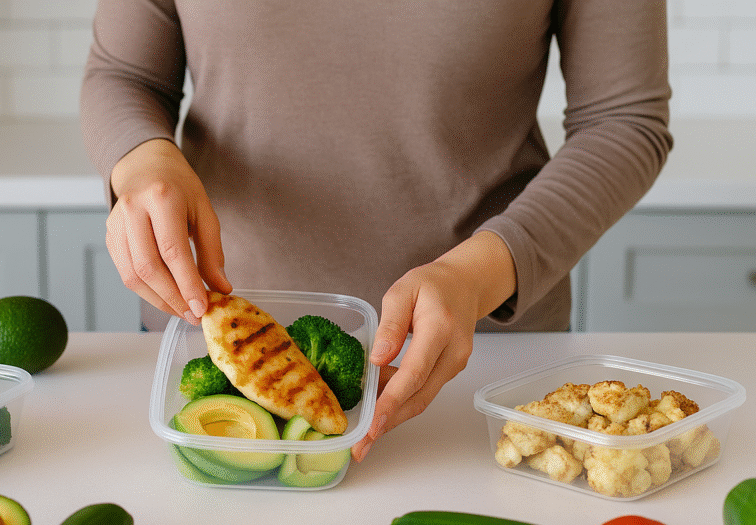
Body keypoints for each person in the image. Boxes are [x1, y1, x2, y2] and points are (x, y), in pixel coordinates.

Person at [80, 1, 673, 462]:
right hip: (209, 337)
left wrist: (476, 275)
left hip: (481, 351)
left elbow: (624, 121)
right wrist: (140, 159)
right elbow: (123, 75)